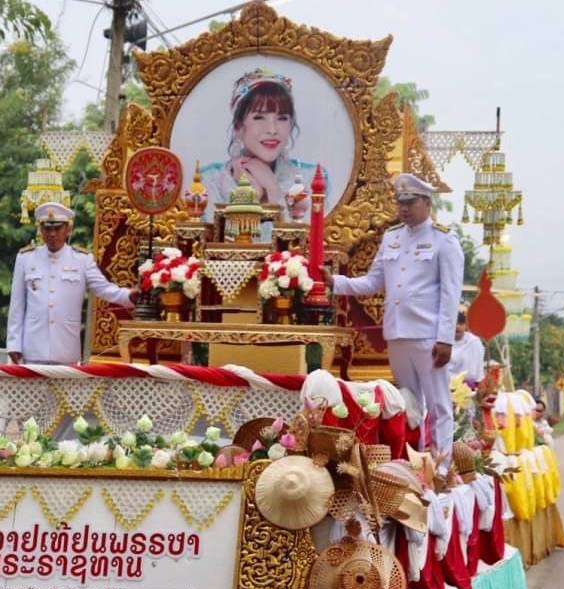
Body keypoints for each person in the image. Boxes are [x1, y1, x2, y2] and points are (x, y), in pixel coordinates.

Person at [325, 173, 464, 472]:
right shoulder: (392, 237)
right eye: (400, 202)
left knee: (438, 405)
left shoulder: (444, 239)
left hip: (428, 335)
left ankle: (441, 469)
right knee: (407, 404)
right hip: (398, 332)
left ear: (427, 203)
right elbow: (373, 282)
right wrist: (334, 282)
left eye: (410, 202)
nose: (403, 208)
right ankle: (415, 463)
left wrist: (445, 339)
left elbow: (451, 294)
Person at [6, 202, 139, 365]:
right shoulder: (26, 258)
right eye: (47, 228)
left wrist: (129, 296)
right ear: (41, 230)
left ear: (68, 229)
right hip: (33, 348)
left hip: (66, 348)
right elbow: (17, 305)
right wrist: (13, 343)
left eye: (57, 228)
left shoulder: (82, 260)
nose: (52, 234)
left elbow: (103, 289)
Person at [199, 68, 326, 224]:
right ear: (238, 128)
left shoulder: (311, 178)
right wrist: (253, 196)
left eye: (282, 118)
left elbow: (305, 243)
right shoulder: (210, 180)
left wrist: (272, 188)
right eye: (259, 117)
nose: (272, 130)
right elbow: (218, 244)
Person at [448, 310, 485, 385]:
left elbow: (475, 370)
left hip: (472, 384)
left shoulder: (474, 342)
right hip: (447, 383)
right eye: (454, 324)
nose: (457, 326)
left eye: (460, 324)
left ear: (465, 325)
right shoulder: (443, 343)